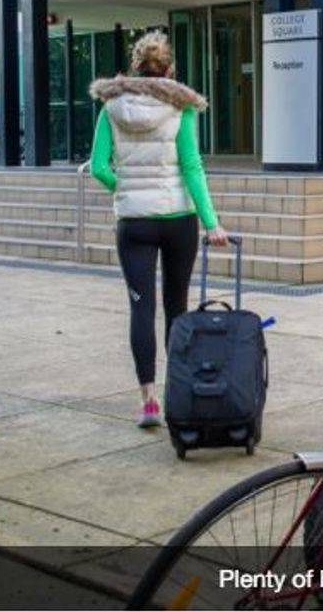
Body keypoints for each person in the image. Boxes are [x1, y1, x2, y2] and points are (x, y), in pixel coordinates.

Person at [89, 31, 229, 428]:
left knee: (140, 308)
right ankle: (176, 392)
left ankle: (148, 401)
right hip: (178, 221)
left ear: (135, 69)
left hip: (134, 223)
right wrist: (212, 222)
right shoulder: (180, 108)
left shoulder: (110, 109)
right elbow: (192, 167)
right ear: (169, 70)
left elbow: (99, 166)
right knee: (176, 307)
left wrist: (128, 190)